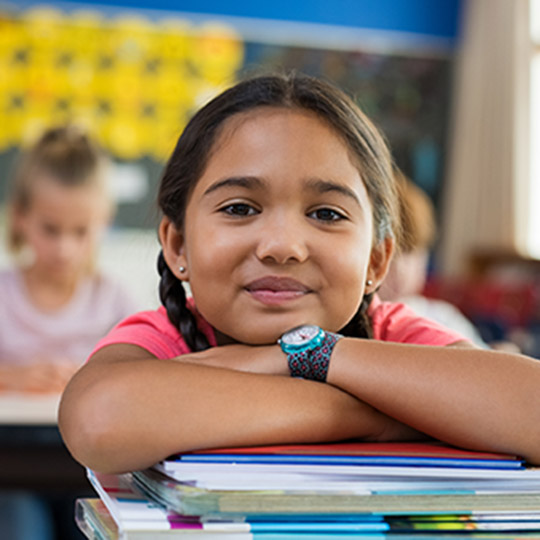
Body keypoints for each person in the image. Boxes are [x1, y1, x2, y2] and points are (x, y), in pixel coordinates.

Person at [59, 73, 540, 476]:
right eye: (240, 208)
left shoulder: (392, 335)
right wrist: (382, 414)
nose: (282, 247)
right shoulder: (165, 338)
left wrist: (317, 354)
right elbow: (99, 420)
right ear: (178, 244)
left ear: (377, 260)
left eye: (327, 214)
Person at [0, 125, 137, 392]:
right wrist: (9, 377)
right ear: (20, 217)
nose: (64, 249)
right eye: (50, 230)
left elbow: (147, 374)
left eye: (81, 231)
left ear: (104, 223)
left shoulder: (113, 302)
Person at [377, 169, 488, 347]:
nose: (400, 269)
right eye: (390, 254)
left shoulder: (442, 316)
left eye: (410, 251)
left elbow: (485, 361)